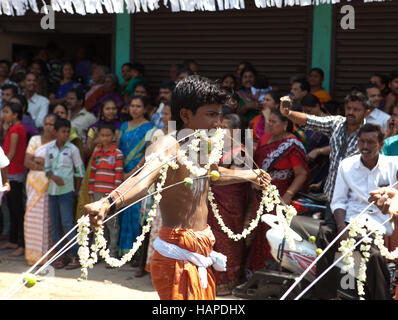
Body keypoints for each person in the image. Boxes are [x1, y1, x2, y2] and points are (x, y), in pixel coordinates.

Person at [84, 75, 271, 300]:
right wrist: (108, 202)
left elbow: (213, 174)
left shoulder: (203, 143)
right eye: (211, 115)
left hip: (201, 245)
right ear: (185, 115)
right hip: (176, 252)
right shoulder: (167, 144)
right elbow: (143, 179)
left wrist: (250, 175)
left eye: (219, 115)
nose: (218, 122)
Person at [314, 123, 395, 300]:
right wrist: (342, 228)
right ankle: (325, 296)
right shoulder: (347, 165)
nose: (365, 147)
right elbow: (338, 202)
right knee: (325, 233)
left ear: (381, 145)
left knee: (373, 254)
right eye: (362, 142)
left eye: (371, 142)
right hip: (350, 220)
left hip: (377, 225)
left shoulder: (393, 165)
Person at [279, 91, 372, 222]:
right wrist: (288, 113)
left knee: (350, 239)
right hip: (332, 197)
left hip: (355, 200)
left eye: (356, 109)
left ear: (367, 112)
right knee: (328, 236)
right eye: (349, 108)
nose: (351, 112)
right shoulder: (337, 123)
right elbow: (310, 120)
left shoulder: (370, 135)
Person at [247, 108, 309, 273]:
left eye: (273, 122)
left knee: (272, 231)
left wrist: (288, 195)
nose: (269, 125)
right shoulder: (266, 138)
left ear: (285, 124)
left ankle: (272, 272)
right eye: (269, 121)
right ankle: (255, 271)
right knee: (258, 231)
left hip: (279, 196)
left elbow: (301, 173)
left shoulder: (292, 144)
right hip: (259, 194)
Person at [207, 113, 250, 296]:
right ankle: (213, 282)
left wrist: (215, 176)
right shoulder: (216, 149)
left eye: (224, 127)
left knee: (228, 240)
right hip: (213, 200)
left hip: (230, 204)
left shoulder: (240, 151)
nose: (220, 131)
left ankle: (229, 280)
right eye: (219, 127)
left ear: (236, 131)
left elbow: (235, 177)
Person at [117, 95, 157, 260]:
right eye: (132, 105)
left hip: (138, 173)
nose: (134, 109)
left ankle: (135, 254)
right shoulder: (124, 126)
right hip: (121, 171)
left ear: (145, 109)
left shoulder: (151, 128)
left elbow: (148, 154)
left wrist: (132, 172)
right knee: (121, 211)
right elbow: (118, 148)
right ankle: (122, 251)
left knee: (135, 213)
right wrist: (119, 171)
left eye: (138, 106)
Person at [45, 117, 85, 269]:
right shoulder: (49, 149)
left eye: (68, 132)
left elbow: (80, 171)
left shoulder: (72, 150)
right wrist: (53, 177)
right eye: (63, 131)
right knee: (55, 225)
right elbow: (47, 170)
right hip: (52, 191)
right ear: (56, 132)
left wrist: (75, 191)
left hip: (67, 192)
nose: (66, 134)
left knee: (67, 224)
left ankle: (75, 255)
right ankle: (61, 256)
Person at [75, 98, 122, 222]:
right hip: (96, 164)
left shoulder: (121, 126)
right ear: (102, 111)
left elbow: (118, 146)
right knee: (90, 197)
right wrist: (98, 140)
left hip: (113, 164)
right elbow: (86, 151)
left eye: (113, 108)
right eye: (107, 109)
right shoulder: (94, 128)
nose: (111, 111)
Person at [23, 114, 57, 266]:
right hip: (33, 184)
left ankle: (47, 256)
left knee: (48, 219)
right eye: (46, 123)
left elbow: (58, 166)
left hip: (50, 185)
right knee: (31, 219)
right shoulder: (35, 140)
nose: (48, 126)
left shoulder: (58, 144)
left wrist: (38, 161)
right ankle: (33, 256)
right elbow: (26, 161)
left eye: (52, 124)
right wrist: (43, 165)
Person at [88, 122, 124, 262]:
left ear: (113, 136)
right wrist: (91, 194)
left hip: (110, 195)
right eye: (102, 135)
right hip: (97, 193)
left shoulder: (117, 154)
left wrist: (113, 197)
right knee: (97, 224)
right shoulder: (96, 153)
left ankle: (112, 254)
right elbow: (92, 174)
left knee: (112, 225)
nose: (105, 138)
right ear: (98, 136)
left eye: (108, 135)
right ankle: (95, 255)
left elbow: (118, 176)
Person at [0, 102, 27, 257]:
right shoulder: (13, 128)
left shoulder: (17, 129)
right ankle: (13, 240)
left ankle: (21, 244)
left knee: (17, 209)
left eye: (7, 111)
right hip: (11, 172)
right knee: (12, 207)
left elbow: (10, 154)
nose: (4, 114)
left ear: (15, 114)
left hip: (14, 173)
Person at [300, 93, 330, 189]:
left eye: (309, 111)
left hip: (322, 167)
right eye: (304, 111)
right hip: (303, 165)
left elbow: (339, 145)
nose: (307, 114)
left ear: (317, 106)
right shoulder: (304, 120)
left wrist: (318, 151)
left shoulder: (329, 122)